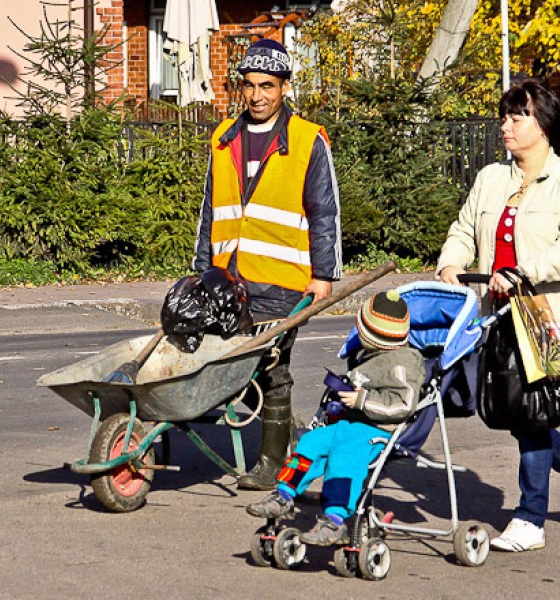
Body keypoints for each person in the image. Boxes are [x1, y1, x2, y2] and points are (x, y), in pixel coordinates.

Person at [436, 78, 560, 552]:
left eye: (517, 116)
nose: (505, 125)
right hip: (498, 315)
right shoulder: (492, 178)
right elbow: (465, 227)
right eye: (504, 116)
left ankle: (530, 519)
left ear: (544, 125)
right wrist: (452, 260)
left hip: (551, 316)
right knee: (515, 410)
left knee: (530, 410)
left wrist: (521, 272)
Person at [193, 38, 342, 490]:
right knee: (227, 365)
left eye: (267, 86)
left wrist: (323, 276)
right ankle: (274, 441)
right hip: (227, 277)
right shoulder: (224, 138)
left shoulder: (306, 140)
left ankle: (273, 461)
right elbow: (209, 210)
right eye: (250, 86)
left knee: (272, 369)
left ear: (284, 88)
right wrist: (202, 268)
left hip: (282, 281)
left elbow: (325, 211)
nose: (257, 95)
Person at [245, 290, 425, 545]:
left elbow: (403, 405)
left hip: (379, 431)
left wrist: (362, 400)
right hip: (351, 424)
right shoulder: (370, 357)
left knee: (344, 457)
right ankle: (283, 494)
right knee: (310, 442)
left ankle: (335, 518)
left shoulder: (402, 364)